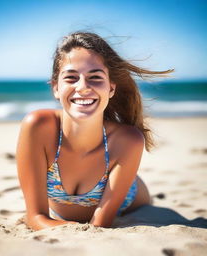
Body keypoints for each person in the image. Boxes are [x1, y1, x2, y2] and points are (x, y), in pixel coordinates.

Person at [16, 31, 173, 231]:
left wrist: (65, 228)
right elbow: (36, 217)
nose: (82, 87)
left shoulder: (129, 140)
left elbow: (100, 226)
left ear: (111, 89)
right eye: (71, 77)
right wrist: (71, 227)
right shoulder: (37, 126)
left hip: (133, 198)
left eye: (95, 77)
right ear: (56, 87)